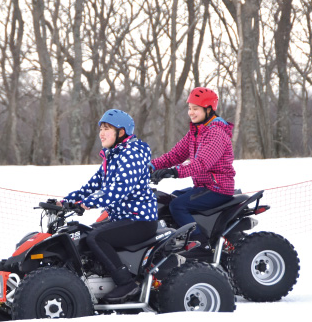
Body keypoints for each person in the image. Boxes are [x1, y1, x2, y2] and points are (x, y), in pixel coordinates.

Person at [59, 109, 158, 303]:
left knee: (97, 237)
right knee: (83, 234)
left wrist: (85, 204)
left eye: (107, 128)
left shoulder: (133, 155)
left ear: (121, 132)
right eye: (101, 129)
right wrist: (65, 202)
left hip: (139, 220)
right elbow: (91, 186)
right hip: (121, 219)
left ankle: (126, 283)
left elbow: (117, 190)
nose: (101, 133)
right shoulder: (112, 156)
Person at [150, 87, 235, 255]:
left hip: (217, 188)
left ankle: (199, 244)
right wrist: (151, 167)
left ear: (208, 109)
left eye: (195, 108)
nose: (191, 112)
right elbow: (174, 155)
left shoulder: (216, 133)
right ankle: (179, 238)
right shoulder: (196, 132)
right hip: (203, 186)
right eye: (190, 108)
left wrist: (174, 172)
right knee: (169, 198)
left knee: (178, 205)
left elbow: (201, 163)